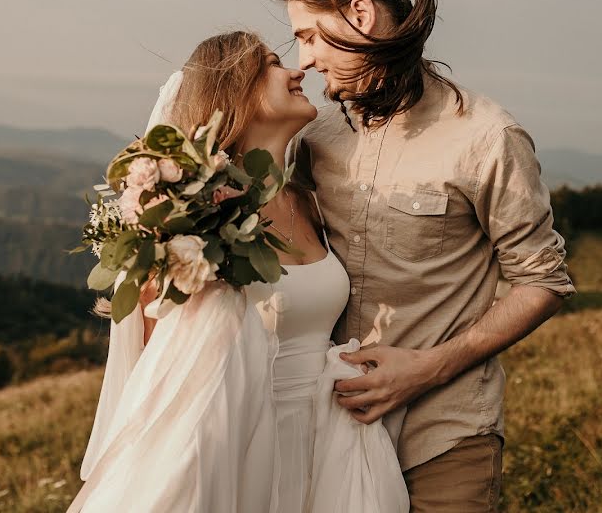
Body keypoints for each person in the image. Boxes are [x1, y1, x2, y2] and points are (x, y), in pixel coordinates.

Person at [272, 0, 577, 512]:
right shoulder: (315, 139)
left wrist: (427, 368)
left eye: (310, 35)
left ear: (360, 16)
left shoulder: (487, 138)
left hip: (445, 438)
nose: (304, 59)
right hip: (330, 428)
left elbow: (543, 281)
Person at [69, 31, 409, 512]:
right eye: (272, 63)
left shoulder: (309, 201)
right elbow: (162, 376)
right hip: (243, 446)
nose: (298, 70)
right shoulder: (186, 220)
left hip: (326, 440)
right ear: (233, 91)